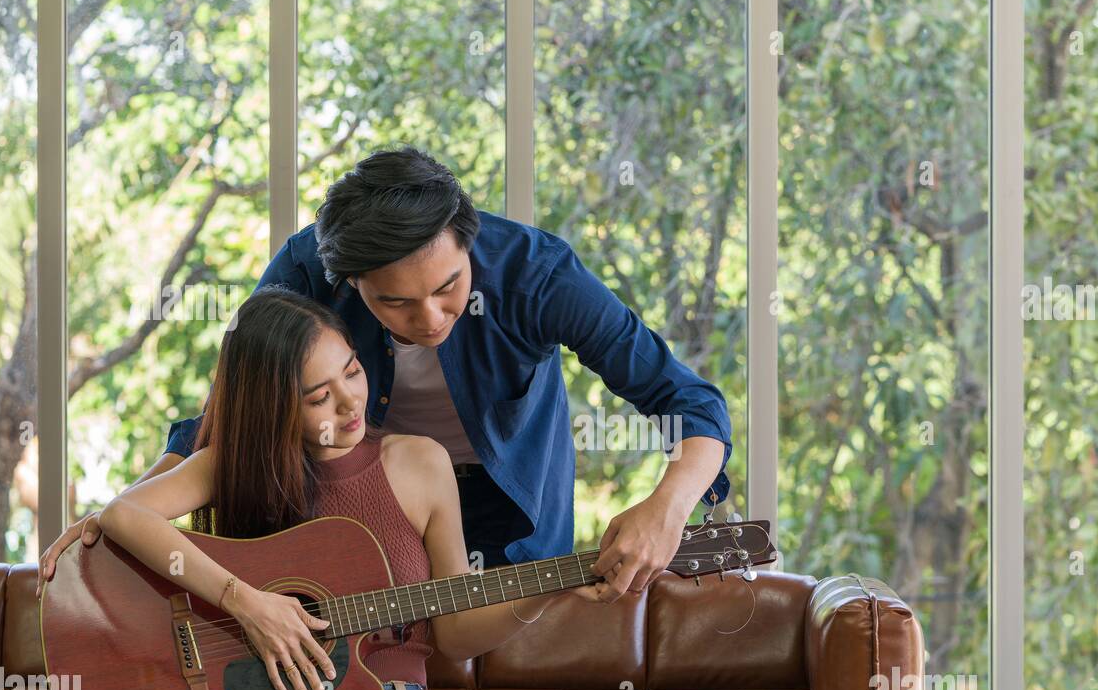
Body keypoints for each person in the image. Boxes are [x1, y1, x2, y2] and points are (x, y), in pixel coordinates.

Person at [36, 144, 733, 603]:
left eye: (449, 287)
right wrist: (114, 516)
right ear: (348, 282)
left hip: (515, 531)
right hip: (358, 526)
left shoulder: (538, 274)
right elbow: (224, 416)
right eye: (394, 301)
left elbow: (690, 401)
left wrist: (665, 507)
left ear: (469, 240)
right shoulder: (306, 269)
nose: (429, 317)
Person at [78, 288, 609, 690]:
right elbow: (123, 516)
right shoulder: (232, 469)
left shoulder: (420, 463)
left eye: (352, 372)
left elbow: (455, 634)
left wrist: (544, 590)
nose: (351, 404)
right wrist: (248, 605)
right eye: (318, 398)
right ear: (272, 408)